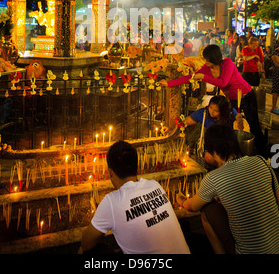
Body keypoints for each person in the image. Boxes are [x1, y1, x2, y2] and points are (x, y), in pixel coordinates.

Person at [177, 125, 279, 254]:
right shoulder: (261, 161)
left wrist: (180, 200)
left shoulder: (214, 178)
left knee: (207, 210)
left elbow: (192, 206)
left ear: (213, 152)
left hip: (248, 252)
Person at [79, 140, 190, 255]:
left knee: (88, 251)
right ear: (136, 167)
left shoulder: (112, 202)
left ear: (110, 172)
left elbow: (86, 243)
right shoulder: (155, 185)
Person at [160, 44, 267, 156]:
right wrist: (169, 83)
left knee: (254, 126)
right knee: (232, 127)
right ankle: (234, 155)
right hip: (233, 99)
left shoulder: (228, 64)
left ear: (214, 58)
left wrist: (203, 77)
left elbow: (223, 82)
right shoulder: (207, 68)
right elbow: (190, 78)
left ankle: (262, 154)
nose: (205, 62)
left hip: (246, 96)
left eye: (207, 59)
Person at [271, 43, 279, 113]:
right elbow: (277, 63)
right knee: (276, 90)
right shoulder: (275, 52)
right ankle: (273, 107)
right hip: (277, 73)